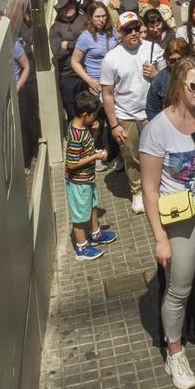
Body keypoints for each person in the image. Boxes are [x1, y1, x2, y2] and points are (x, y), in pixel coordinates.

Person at [139, 56, 195, 389]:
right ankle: (174, 352)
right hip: (180, 217)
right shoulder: (157, 130)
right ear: (178, 86)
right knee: (180, 287)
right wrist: (159, 237)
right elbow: (149, 189)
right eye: (193, 85)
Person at [99, 11, 160, 214]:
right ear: (120, 32)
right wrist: (114, 124)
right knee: (132, 156)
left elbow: (170, 76)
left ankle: (156, 188)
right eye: (128, 30)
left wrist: (156, 74)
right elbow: (107, 94)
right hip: (126, 115)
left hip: (152, 113)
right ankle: (137, 192)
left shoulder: (153, 48)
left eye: (136, 28)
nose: (133, 33)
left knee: (157, 155)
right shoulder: (111, 59)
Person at [65, 90, 117, 261]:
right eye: (93, 116)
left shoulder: (83, 128)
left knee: (92, 206)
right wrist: (95, 156)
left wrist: (94, 133)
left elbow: (86, 148)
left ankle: (95, 234)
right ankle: (82, 248)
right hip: (78, 183)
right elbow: (71, 164)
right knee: (80, 216)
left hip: (87, 179)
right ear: (85, 114)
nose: (95, 119)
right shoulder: (75, 135)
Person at [71, 2, 119, 172]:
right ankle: (97, 154)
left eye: (104, 16)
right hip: (96, 86)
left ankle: (115, 154)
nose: (101, 20)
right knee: (98, 121)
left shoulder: (113, 32)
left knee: (114, 118)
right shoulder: (86, 37)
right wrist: (89, 80)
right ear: (90, 18)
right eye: (97, 16)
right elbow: (75, 61)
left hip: (114, 83)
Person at [50, 0, 87, 118]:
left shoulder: (85, 20)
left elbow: (91, 41)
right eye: (64, 6)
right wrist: (80, 44)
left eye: (71, 4)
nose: (68, 8)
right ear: (60, 10)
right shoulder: (55, 28)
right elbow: (57, 53)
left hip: (87, 72)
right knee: (73, 111)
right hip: (68, 76)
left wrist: (68, 44)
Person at [146, 38, 193, 120]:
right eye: (173, 61)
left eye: (180, 59)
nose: (177, 64)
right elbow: (152, 111)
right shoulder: (159, 80)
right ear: (167, 59)